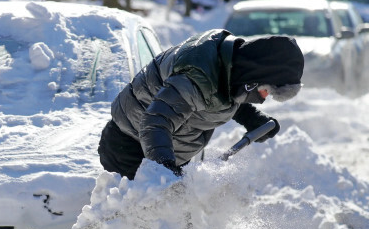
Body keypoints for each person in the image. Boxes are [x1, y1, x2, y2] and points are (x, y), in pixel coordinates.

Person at [98, 29, 304, 180]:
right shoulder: (196, 74)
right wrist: (164, 169)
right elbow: (155, 122)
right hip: (132, 150)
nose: (263, 97)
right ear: (256, 77)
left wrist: (253, 119)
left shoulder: (231, 68)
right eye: (266, 90)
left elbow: (220, 95)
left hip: (170, 155)